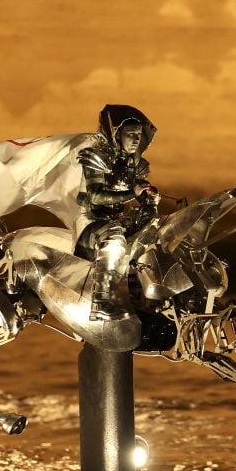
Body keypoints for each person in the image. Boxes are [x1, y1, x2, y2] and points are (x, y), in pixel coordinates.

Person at [73, 105, 159, 320]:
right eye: (130, 134)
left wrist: (150, 197)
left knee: (153, 236)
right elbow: (95, 196)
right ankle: (100, 303)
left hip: (121, 220)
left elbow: (139, 194)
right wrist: (132, 192)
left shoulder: (135, 165)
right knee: (115, 241)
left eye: (138, 135)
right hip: (92, 222)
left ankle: (146, 299)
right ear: (116, 134)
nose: (136, 139)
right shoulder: (95, 159)